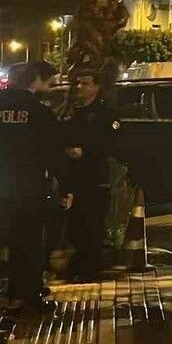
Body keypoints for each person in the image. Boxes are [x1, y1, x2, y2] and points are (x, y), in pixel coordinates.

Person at [0, 62, 65, 342]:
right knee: (29, 246)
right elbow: (53, 154)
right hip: (28, 193)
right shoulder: (40, 113)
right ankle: (29, 299)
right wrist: (59, 186)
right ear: (34, 82)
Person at [62, 69, 117, 279]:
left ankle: (89, 268)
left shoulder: (105, 114)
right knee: (75, 224)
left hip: (94, 177)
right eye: (78, 83)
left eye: (85, 83)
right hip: (72, 176)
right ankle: (79, 264)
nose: (79, 87)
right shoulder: (71, 111)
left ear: (96, 87)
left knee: (92, 223)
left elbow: (112, 143)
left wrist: (86, 151)